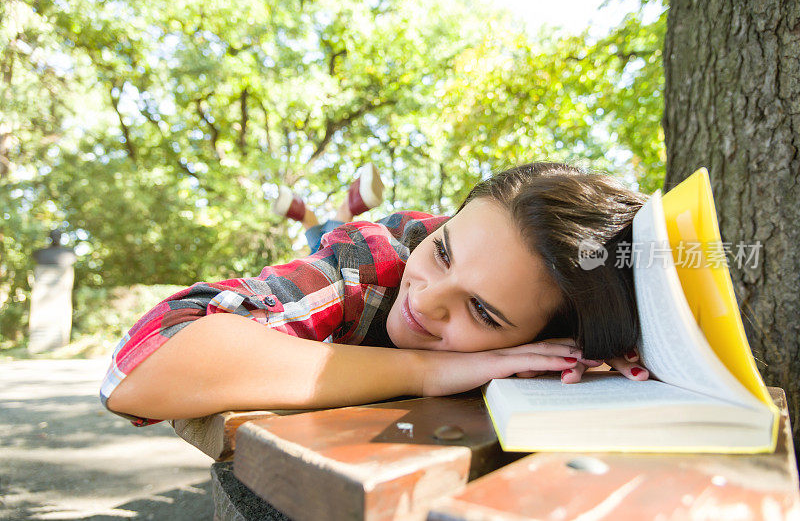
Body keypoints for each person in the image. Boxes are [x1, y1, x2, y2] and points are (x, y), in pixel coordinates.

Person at [102, 162, 649, 426]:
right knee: (325, 238)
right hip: (351, 244)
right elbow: (137, 371)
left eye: (482, 311)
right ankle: (337, 210)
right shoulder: (369, 266)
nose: (428, 299)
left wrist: (602, 351)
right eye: (443, 252)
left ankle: (333, 208)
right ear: (445, 223)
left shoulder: (555, 298)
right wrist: (423, 369)